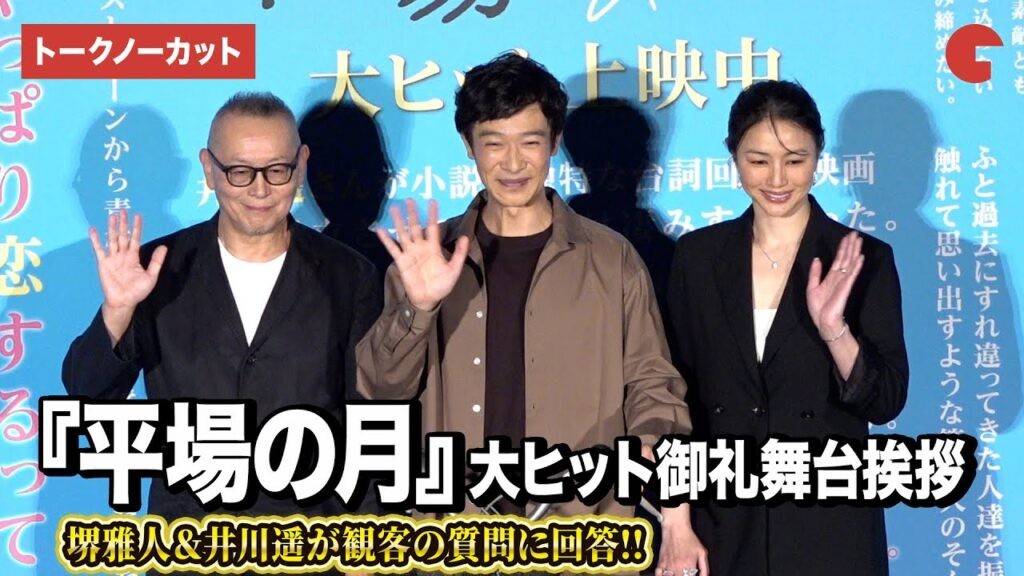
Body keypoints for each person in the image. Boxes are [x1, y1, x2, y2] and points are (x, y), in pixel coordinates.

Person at [356, 53, 706, 575]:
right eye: (494, 142)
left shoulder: (612, 259)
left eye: (530, 141)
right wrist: (419, 308)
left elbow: (655, 392)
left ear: (555, 143)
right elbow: (381, 392)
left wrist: (676, 523)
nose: (513, 163)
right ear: (468, 145)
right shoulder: (428, 258)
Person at [62, 92, 382, 530]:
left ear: (302, 165)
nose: (259, 189)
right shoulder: (156, 270)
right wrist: (118, 311)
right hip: (190, 543)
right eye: (239, 171)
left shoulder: (350, 276)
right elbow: (87, 397)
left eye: (277, 170)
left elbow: (370, 426)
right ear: (209, 169)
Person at [667, 80, 909, 575]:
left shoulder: (864, 258)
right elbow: (673, 397)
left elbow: (885, 402)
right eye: (758, 160)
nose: (777, 178)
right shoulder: (697, 257)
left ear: (818, 156)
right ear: (733, 157)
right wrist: (676, 521)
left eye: (795, 160)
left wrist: (834, 329)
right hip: (724, 522)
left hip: (829, 524)